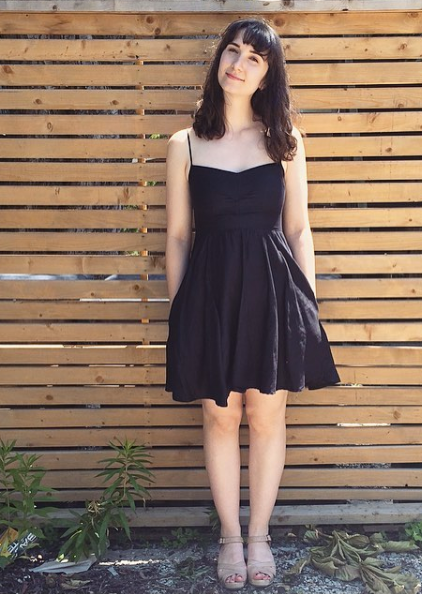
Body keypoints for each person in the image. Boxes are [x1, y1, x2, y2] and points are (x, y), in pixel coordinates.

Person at [165, 18, 339, 590]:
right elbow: (177, 237)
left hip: (273, 295)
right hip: (210, 296)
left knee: (266, 416)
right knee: (220, 414)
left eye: (255, 59)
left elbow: (299, 230)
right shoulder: (184, 144)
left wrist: (305, 310)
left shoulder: (286, 142)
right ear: (219, 59)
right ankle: (230, 539)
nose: (239, 64)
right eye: (233, 51)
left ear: (267, 76)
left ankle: (259, 535)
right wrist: (182, 315)